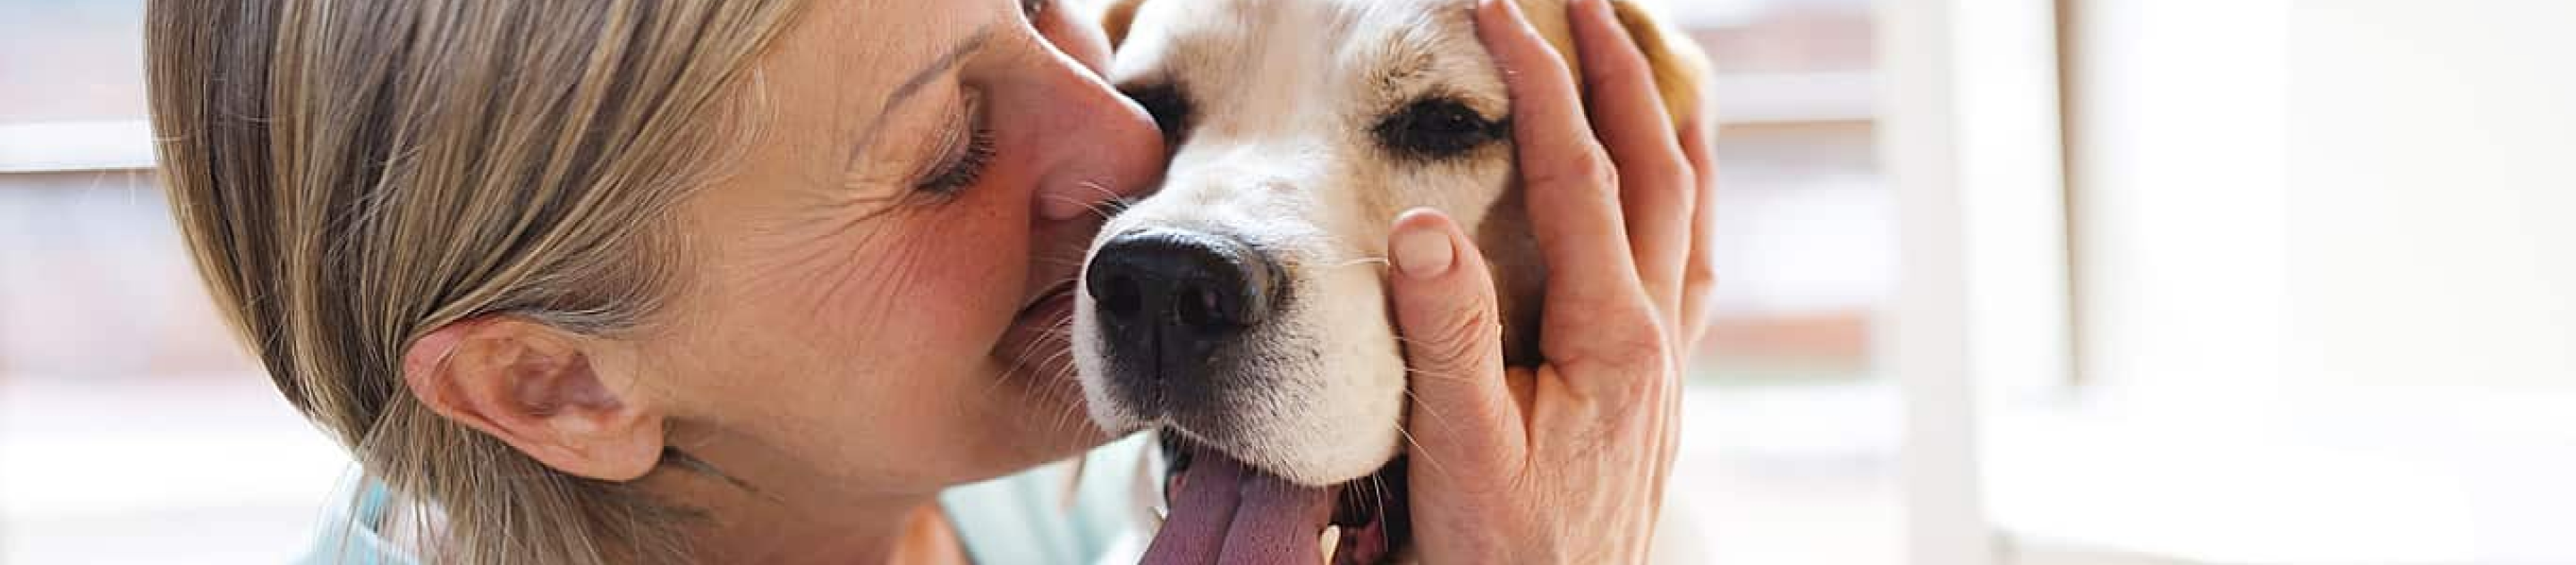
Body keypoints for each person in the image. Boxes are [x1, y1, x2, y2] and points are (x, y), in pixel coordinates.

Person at [143, 0, 1717, 562]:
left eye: (1044, 17)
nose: (1127, 163)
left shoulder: (1030, 483)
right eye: (950, 147)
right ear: (561, 384)